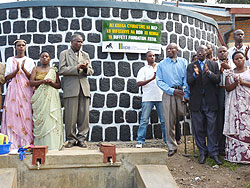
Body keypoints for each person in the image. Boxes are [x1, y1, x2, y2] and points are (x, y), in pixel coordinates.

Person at [187, 45, 222, 165]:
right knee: (198, 128)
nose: (199, 53)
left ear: (207, 53)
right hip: (196, 102)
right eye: (198, 51)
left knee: (212, 128)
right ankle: (202, 152)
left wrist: (209, 73)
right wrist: (195, 75)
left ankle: (214, 153)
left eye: (202, 51)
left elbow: (217, 80)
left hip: (210, 101)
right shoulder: (191, 66)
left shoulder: (213, 65)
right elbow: (189, 82)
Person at [59, 34, 94, 148]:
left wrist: (85, 69)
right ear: (71, 42)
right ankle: (71, 139)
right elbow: (61, 69)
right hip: (70, 88)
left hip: (84, 87)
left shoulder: (86, 55)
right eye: (77, 42)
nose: (80, 44)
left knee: (84, 116)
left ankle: (82, 139)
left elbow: (91, 70)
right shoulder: (64, 54)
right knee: (70, 115)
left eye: (81, 42)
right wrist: (77, 68)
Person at [1, 39, 35, 149]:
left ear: (25, 47)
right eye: (18, 45)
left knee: (26, 113)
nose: (21, 47)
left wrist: (23, 69)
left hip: (26, 90)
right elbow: (6, 78)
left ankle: (26, 142)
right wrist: (16, 71)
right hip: (13, 90)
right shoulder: (10, 60)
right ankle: (13, 143)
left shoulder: (29, 60)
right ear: (15, 47)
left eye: (23, 45)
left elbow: (32, 78)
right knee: (12, 112)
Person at [156, 43, 189, 157]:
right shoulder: (161, 64)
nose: (169, 50)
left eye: (171, 48)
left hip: (182, 92)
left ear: (177, 50)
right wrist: (171, 91)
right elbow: (159, 81)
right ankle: (172, 146)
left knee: (183, 114)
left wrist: (185, 92)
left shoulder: (183, 62)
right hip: (169, 93)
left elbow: (186, 78)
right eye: (167, 49)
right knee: (169, 121)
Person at [30, 52, 64, 150]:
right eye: (42, 56)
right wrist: (42, 81)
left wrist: (51, 83)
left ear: (49, 59)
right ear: (40, 59)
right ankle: (41, 144)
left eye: (47, 56)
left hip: (51, 99)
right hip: (39, 99)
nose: (44, 58)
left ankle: (52, 144)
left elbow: (59, 85)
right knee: (41, 120)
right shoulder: (36, 69)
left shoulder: (53, 70)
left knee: (50, 119)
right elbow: (31, 83)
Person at [136, 51, 166, 148]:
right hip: (147, 98)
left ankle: (167, 141)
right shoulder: (143, 69)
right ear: (146, 58)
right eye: (150, 56)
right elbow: (139, 83)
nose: (152, 57)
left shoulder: (160, 68)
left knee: (164, 121)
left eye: (153, 56)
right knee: (144, 120)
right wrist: (152, 78)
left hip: (160, 97)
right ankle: (140, 141)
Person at [224, 51, 250, 163]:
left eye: (241, 58)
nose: (239, 60)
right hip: (234, 105)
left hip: (247, 103)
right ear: (233, 61)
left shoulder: (249, 71)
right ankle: (236, 156)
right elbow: (227, 88)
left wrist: (242, 82)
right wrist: (235, 83)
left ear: (245, 59)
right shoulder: (229, 73)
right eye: (236, 59)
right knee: (236, 126)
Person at [216, 46, 233, 155]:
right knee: (220, 119)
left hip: (232, 92)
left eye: (224, 51)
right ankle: (220, 147)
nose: (222, 53)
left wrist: (228, 68)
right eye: (220, 52)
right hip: (219, 92)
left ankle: (230, 146)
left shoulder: (233, 62)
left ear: (228, 52)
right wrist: (220, 71)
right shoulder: (213, 63)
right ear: (217, 53)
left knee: (231, 117)